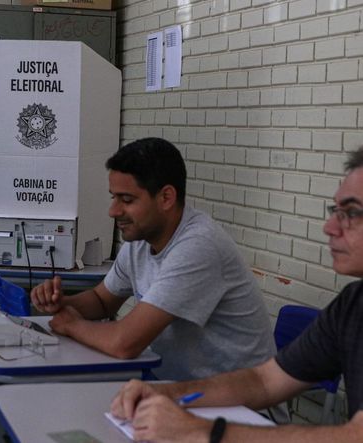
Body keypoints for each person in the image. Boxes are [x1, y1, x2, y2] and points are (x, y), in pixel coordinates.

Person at [110, 146, 363, 443]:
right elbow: (264, 381)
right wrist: (166, 392)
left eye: (352, 213)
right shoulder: (352, 304)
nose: (329, 227)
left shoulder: (199, 243)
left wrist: (202, 431)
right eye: (335, 211)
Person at [30, 138, 277, 383]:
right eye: (113, 197)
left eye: (126, 200)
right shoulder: (140, 239)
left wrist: (72, 325)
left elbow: (124, 343)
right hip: (174, 389)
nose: (113, 211)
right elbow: (101, 301)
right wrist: (62, 303)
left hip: (244, 408)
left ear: (166, 198)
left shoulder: (198, 246)